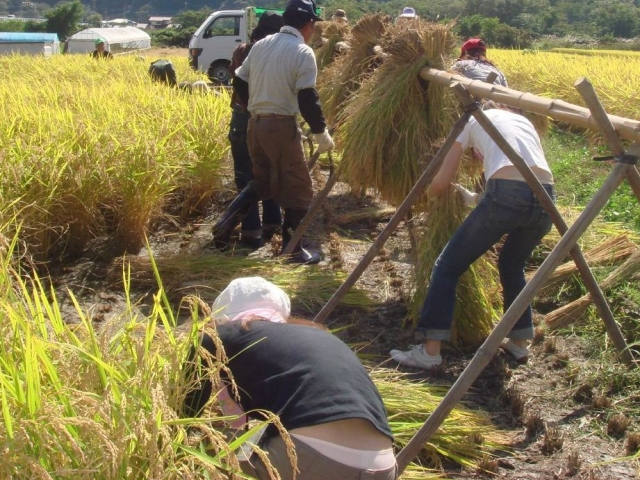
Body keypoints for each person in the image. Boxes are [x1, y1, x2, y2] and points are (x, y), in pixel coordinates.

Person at [390, 105, 555, 369]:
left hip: (507, 194)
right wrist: (474, 198)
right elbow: (523, 187)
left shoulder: (470, 120)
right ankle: (519, 342)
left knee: (446, 266)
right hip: (547, 201)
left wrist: (428, 196)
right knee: (512, 265)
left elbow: (441, 182)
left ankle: (429, 352)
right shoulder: (522, 122)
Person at [184, 277, 397, 480]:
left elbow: (184, 412)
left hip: (314, 458)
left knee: (209, 455)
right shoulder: (314, 337)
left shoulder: (217, 337)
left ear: (223, 318)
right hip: (383, 464)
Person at [213, 0, 334, 264]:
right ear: (308, 24)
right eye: (313, 25)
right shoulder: (302, 52)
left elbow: (239, 79)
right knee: (299, 187)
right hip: (280, 126)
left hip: (255, 125)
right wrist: (320, 132)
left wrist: (253, 105)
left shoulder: (261, 45)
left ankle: (226, 222)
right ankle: (292, 250)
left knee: (263, 181)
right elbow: (308, 97)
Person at [227, 12, 284, 249]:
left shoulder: (243, 50)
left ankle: (251, 231)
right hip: (270, 119)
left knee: (246, 174)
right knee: (270, 171)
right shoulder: (278, 53)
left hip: (243, 117)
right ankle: (273, 223)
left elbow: (236, 79)